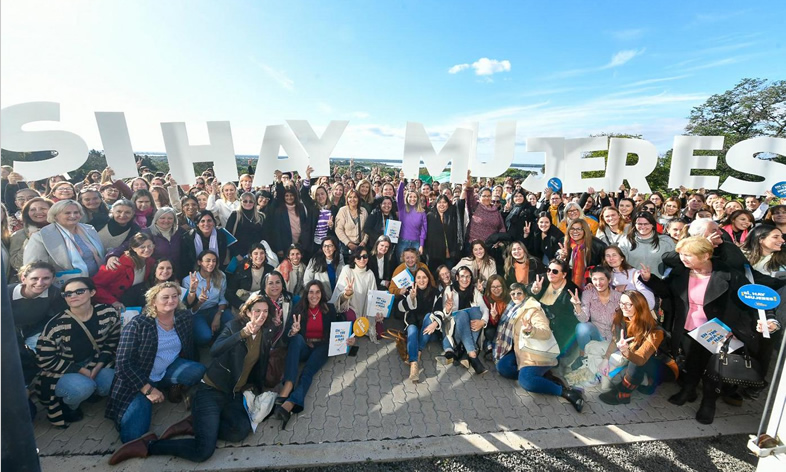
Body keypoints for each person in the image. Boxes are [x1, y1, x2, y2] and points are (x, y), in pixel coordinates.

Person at [109, 294, 277, 464]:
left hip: (233, 393)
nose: (261, 315)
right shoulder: (234, 327)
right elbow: (215, 350)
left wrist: (256, 387)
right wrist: (242, 333)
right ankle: (149, 445)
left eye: (265, 311)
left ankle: (195, 424)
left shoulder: (265, 332)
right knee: (202, 451)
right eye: (257, 311)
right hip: (211, 391)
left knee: (240, 431)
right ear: (248, 312)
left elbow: (259, 363)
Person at [639, 237, 772, 424]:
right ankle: (688, 389)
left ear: (706, 255)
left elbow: (751, 302)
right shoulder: (681, 273)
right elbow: (667, 291)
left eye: (688, 255)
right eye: (681, 254)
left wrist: (760, 322)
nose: (683, 259)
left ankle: (709, 403)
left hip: (718, 330)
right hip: (687, 327)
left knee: (714, 369)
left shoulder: (729, 274)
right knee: (691, 362)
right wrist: (649, 280)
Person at [106, 282, 206, 445]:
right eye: (165, 297)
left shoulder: (183, 317)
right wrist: (148, 389)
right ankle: (153, 393)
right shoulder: (138, 324)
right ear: (153, 301)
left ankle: (172, 386)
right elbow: (122, 364)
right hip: (140, 377)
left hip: (167, 369)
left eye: (174, 296)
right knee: (132, 437)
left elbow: (189, 347)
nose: (171, 300)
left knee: (198, 370)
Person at [36, 277, 120, 427]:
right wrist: (82, 371)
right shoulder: (57, 325)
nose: (73, 296)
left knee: (112, 382)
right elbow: (45, 359)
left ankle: (92, 392)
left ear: (92, 292)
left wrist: (99, 365)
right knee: (82, 388)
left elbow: (113, 341)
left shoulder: (107, 312)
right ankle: (69, 406)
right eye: (68, 294)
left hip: (95, 361)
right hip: (64, 369)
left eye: (79, 291)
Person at [494, 283, 585, 412]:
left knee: (526, 381)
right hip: (522, 350)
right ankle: (543, 377)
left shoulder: (533, 310)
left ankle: (565, 391)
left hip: (538, 353)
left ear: (525, 294)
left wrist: (531, 330)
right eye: (513, 294)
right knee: (503, 367)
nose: (516, 296)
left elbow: (545, 332)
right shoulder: (513, 309)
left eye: (519, 293)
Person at [273, 281, 349, 428]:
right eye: (311, 292)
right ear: (306, 294)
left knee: (307, 372)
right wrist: (292, 332)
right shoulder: (299, 309)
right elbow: (285, 338)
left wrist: (347, 340)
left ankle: (291, 402)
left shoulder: (330, 309)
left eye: (317, 292)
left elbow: (339, 329)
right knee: (295, 340)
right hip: (304, 346)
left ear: (322, 294)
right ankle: (288, 385)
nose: (314, 296)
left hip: (321, 347)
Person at [598, 291, 678, 404]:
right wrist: (606, 359)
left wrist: (626, 351)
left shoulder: (654, 331)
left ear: (639, 306)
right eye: (621, 303)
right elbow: (615, 340)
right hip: (643, 359)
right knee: (632, 355)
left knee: (635, 359)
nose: (623, 307)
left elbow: (640, 359)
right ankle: (647, 381)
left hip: (666, 367)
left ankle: (624, 394)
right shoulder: (622, 317)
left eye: (628, 304)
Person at [23, 199, 105, 281]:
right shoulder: (41, 236)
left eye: (76, 212)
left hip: (98, 279)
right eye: (67, 213)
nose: (73, 216)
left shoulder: (89, 229)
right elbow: (33, 265)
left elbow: (101, 253)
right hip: (64, 285)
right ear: (55, 216)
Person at [569, 266, 622, 370]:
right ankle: (584, 357)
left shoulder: (618, 296)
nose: (598, 283)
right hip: (597, 335)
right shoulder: (588, 294)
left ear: (609, 280)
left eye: (602, 279)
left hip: (614, 338)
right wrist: (577, 306)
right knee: (582, 327)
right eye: (595, 279)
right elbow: (583, 319)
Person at [526, 259, 580, 356]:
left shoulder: (572, 291)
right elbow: (527, 292)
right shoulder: (542, 280)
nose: (550, 273)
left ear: (563, 275)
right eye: (548, 270)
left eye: (555, 271)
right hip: (537, 321)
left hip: (558, 329)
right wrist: (534, 290)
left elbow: (572, 319)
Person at [441, 266, 489, 374]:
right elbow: (444, 316)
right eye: (462, 276)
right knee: (462, 314)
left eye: (468, 277)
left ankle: (465, 351)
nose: (465, 279)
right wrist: (447, 309)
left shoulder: (474, 290)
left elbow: (485, 309)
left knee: (476, 312)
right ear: (457, 277)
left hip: (469, 330)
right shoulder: (449, 290)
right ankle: (472, 354)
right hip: (454, 331)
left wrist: (483, 322)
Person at [399, 267, 442, 382]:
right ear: (415, 280)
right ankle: (414, 365)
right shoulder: (409, 290)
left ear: (428, 279)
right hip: (412, 322)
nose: (421, 280)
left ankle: (416, 352)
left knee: (429, 316)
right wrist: (410, 298)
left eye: (424, 277)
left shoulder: (435, 292)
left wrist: (435, 323)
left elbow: (439, 310)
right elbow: (399, 309)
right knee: (412, 331)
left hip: (427, 327)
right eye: (418, 277)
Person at [93, 233, 156, 312]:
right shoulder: (118, 264)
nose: (147, 250)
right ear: (133, 248)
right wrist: (113, 302)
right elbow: (95, 285)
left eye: (149, 246)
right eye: (142, 247)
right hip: (114, 305)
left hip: (134, 304)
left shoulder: (150, 262)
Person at [183, 250, 234, 347]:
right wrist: (200, 302)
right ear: (199, 262)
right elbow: (189, 309)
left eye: (214, 261)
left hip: (215, 309)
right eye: (208, 260)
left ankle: (220, 341)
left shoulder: (221, 276)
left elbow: (223, 298)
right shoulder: (188, 280)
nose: (211, 263)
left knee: (231, 322)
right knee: (205, 337)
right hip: (198, 313)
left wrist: (218, 315)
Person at [335, 246, 379, 340]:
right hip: (349, 306)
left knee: (379, 332)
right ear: (354, 259)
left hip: (365, 308)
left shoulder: (370, 273)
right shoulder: (347, 269)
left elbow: (374, 296)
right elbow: (339, 297)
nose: (362, 259)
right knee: (352, 322)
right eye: (358, 257)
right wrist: (347, 293)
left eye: (365, 256)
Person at [618, 212, 676, 279]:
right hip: (633, 284)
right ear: (634, 225)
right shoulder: (625, 241)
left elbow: (673, 264)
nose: (643, 227)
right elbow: (620, 264)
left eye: (646, 224)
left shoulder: (665, 241)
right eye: (639, 224)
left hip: (659, 283)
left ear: (653, 225)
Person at [557, 218, 607, 290]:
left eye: (579, 229)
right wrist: (562, 258)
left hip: (591, 283)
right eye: (572, 229)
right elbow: (556, 262)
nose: (575, 231)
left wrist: (591, 281)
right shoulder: (564, 242)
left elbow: (603, 267)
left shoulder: (598, 245)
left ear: (585, 230)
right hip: (568, 282)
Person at [180, 210, 229, 279]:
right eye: (202, 221)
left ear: (213, 223)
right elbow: (186, 260)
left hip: (216, 272)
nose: (206, 224)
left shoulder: (221, 236)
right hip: (194, 273)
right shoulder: (188, 237)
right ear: (197, 224)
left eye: (209, 221)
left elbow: (222, 256)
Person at [9, 196, 53, 273]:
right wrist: (29, 241)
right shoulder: (19, 235)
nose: (38, 212)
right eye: (33, 210)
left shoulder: (63, 230)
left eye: (43, 209)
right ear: (27, 213)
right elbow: (16, 264)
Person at [226, 243, 275, 310]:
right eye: (255, 253)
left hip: (263, 306)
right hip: (242, 305)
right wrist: (241, 306)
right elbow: (229, 292)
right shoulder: (241, 269)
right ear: (250, 256)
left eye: (262, 253)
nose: (259, 256)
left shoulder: (270, 269)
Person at [424, 194, 462, 274]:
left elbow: (460, 203)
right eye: (439, 202)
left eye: (444, 202)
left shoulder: (452, 216)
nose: (442, 205)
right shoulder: (430, 216)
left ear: (448, 204)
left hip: (451, 253)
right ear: (436, 204)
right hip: (435, 255)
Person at [224, 192, 265, 262]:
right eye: (245, 201)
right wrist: (237, 255)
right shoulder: (235, 215)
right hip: (237, 255)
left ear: (254, 203)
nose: (248, 203)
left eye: (251, 201)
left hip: (256, 255)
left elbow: (263, 236)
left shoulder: (260, 216)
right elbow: (228, 236)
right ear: (241, 202)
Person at [396, 173, 427, 260]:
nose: (412, 199)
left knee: (414, 265)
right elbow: (398, 197)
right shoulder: (402, 208)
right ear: (407, 197)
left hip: (416, 243)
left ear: (417, 199)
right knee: (401, 264)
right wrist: (402, 181)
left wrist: (421, 245)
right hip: (403, 241)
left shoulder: (422, 212)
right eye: (410, 197)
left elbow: (423, 230)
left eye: (414, 197)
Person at [303, 235, 344, 300]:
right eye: (325, 246)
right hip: (320, 299)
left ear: (335, 247)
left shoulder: (340, 259)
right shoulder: (314, 261)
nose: (327, 249)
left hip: (337, 298)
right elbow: (307, 280)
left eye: (330, 246)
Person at [334, 189, 369, 260]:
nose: (352, 199)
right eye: (350, 197)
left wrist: (364, 242)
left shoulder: (363, 211)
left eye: (355, 197)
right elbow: (338, 229)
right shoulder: (342, 211)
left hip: (360, 245)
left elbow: (367, 229)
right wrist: (348, 243)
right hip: (346, 247)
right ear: (347, 199)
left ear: (358, 199)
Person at [482, 274, 509, 354]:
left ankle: (491, 346)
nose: (496, 289)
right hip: (494, 326)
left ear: (503, 286)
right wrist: (494, 317)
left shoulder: (509, 297)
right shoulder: (486, 299)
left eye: (498, 286)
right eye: (493, 287)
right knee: (489, 332)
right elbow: (487, 321)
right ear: (489, 288)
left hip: (507, 327)